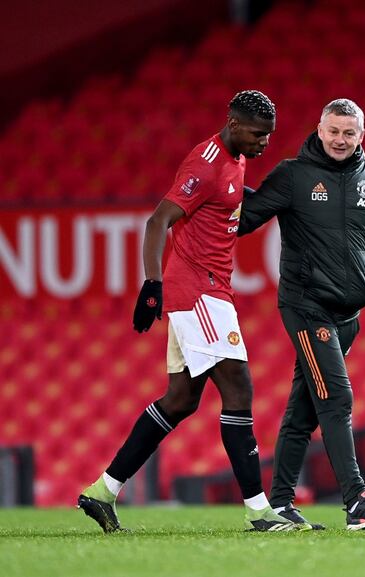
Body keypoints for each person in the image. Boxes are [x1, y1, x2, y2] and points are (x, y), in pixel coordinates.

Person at [78, 90, 301, 533]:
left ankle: (102, 491)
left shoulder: (237, 157)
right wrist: (151, 284)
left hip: (210, 288)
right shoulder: (206, 162)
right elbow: (157, 220)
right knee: (238, 390)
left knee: (180, 401)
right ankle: (260, 512)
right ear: (234, 125)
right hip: (199, 291)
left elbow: (230, 206)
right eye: (258, 135)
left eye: (269, 137)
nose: (264, 144)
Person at [238, 98, 365, 531]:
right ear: (320, 129)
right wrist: (217, 185)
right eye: (334, 131)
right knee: (336, 396)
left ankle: (280, 504)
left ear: (361, 135)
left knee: (304, 410)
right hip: (307, 307)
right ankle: (356, 500)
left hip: (349, 313)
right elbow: (246, 218)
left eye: (349, 133)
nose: (340, 140)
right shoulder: (293, 176)